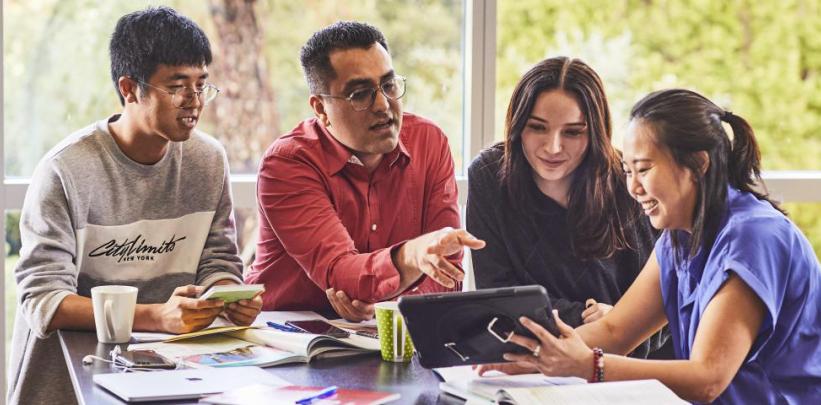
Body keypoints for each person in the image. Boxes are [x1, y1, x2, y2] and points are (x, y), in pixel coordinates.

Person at [478, 89, 821, 403]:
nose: (633, 188)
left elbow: (708, 378)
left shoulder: (754, 237)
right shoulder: (680, 237)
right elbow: (615, 330)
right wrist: (540, 358)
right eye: (627, 171)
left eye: (643, 170)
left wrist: (590, 367)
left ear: (699, 165)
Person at [8, 7, 262, 404]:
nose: (194, 101)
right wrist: (156, 315)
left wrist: (228, 295)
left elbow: (218, 262)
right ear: (129, 88)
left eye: (201, 85)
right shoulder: (66, 170)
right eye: (177, 86)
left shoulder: (207, 160)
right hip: (69, 382)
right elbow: (44, 301)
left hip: (171, 375)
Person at [248, 21, 484, 322]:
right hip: (287, 339)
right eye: (360, 94)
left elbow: (445, 272)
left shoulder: (429, 142)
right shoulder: (287, 163)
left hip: (388, 332)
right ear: (320, 109)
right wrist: (412, 256)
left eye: (388, 85)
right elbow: (341, 273)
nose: (383, 105)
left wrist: (391, 305)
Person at [466, 58, 661, 354]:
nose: (553, 147)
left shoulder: (628, 183)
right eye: (537, 127)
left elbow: (666, 309)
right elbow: (497, 300)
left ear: (595, 133)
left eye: (572, 132)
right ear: (518, 126)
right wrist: (590, 316)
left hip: (626, 366)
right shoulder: (489, 175)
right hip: (529, 358)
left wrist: (621, 326)